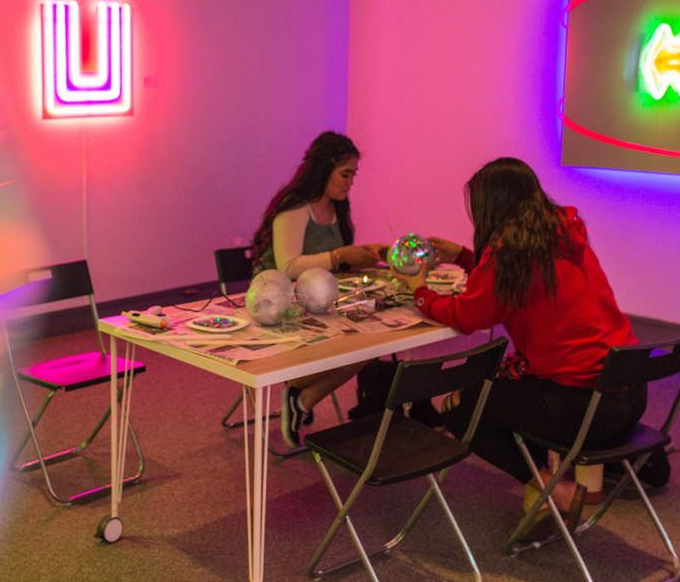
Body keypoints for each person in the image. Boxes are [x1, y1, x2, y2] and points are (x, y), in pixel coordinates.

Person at [392, 157, 646, 541]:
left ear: (491, 208)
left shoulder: (508, 255)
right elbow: (512, 284)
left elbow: (465, 316)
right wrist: (465, 257)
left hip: (584, 406)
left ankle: (553, 487)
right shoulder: (563, 232)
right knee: (506, 395)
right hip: (628, 394)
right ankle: (544, 490)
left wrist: (419, 291)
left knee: (463, 409)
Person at [250, 131, 386, 447]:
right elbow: (288, 267)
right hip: (279, 302)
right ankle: (298, 393)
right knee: (360, 344)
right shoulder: (295, 206)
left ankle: (299, 398)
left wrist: (367, 256)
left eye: (353, 174)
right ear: (324, 169)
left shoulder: (337, 206)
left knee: (372, 340)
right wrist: (341, 255)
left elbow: (331, 264)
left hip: (318, 299)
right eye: (345, 173)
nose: (350, 181)